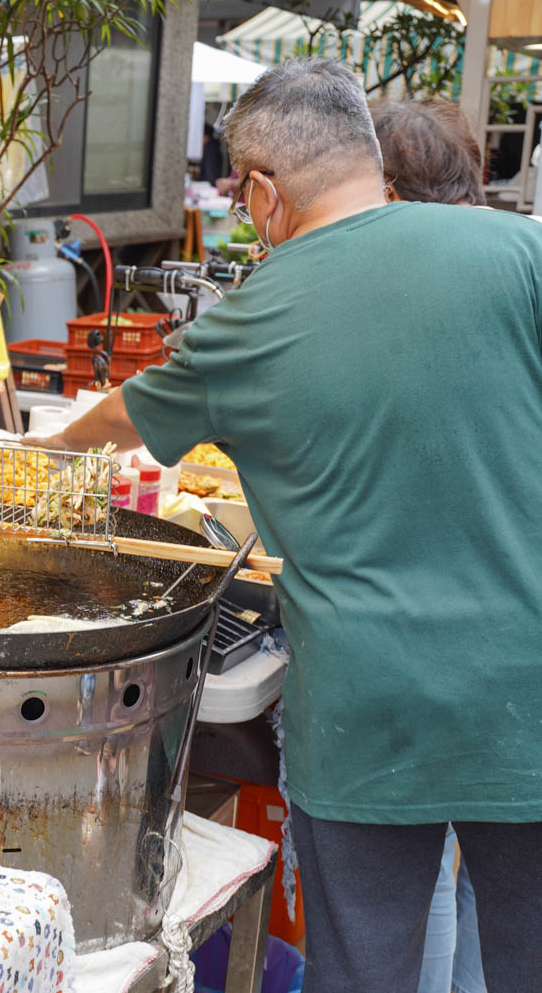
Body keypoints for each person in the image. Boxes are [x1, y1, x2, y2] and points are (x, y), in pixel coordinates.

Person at [28, 57, 542, 992]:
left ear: (262, 190)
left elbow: (126, 417)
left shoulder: (252, 320)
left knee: (366, 971)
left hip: (369, 714)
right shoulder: (516, 251)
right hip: (528, 697)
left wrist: (47, 450)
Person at [371, 97, 489, 993]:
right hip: (504, 640)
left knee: (409, 882)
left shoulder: (378, 279)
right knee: (476, 871)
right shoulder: (515, 261)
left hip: (408, 646)